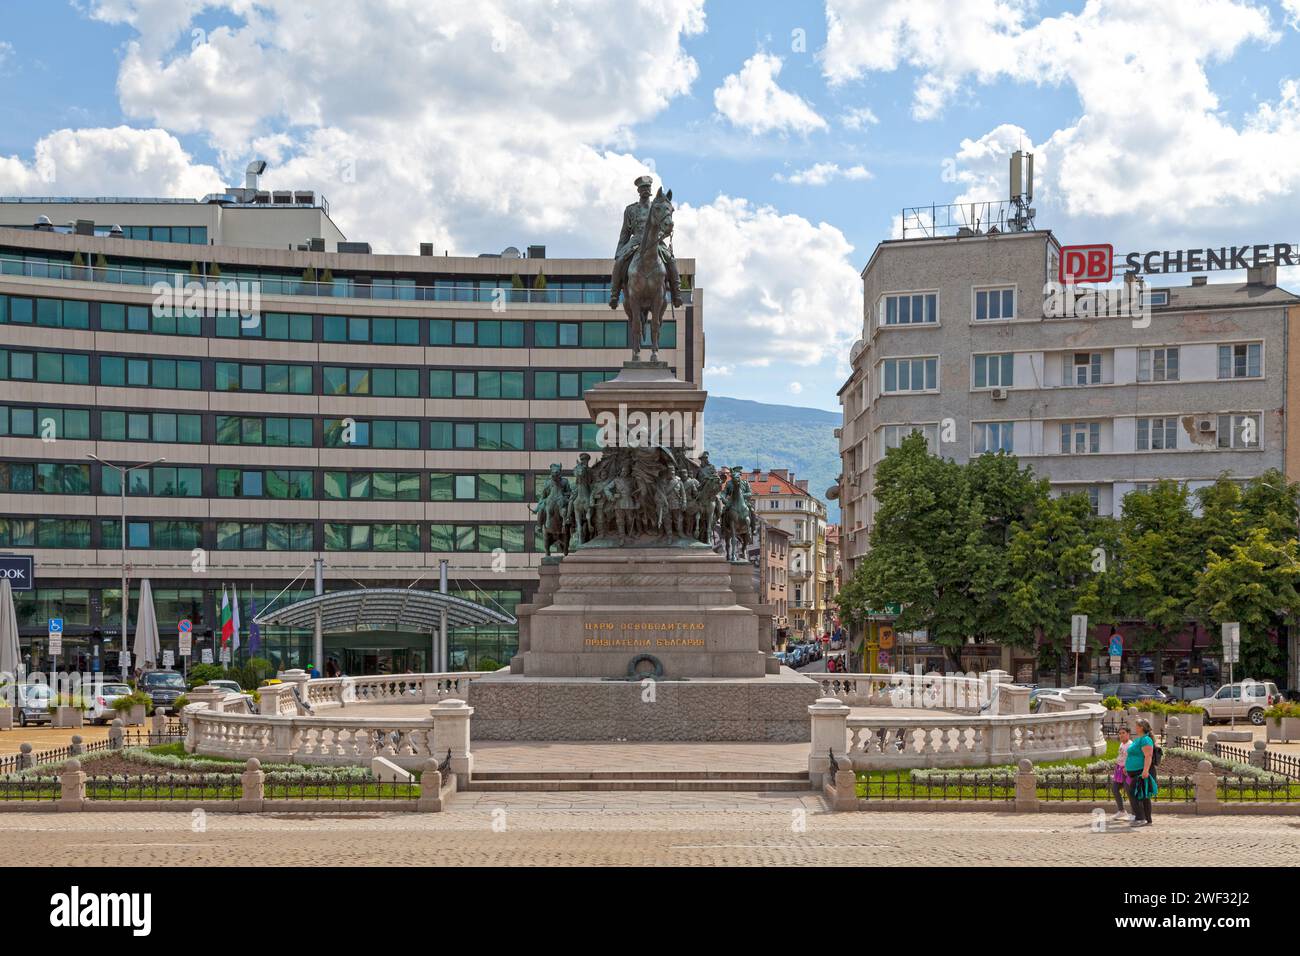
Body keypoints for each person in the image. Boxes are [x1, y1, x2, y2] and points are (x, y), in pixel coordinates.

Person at [1125, 718, 1158, 826]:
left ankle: (1140, 818)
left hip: (1142, 771)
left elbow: (1148, 756)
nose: (1135, 727)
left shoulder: (1146, 739)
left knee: (1132, 792)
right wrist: (1126, 767)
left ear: (1141, 727)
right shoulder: (1139, 739)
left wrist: (1145, 771)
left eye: (1137, 725)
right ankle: (1148, 819)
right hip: (1136, 771)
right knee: (1143, 795)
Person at [1111, 727, 1133, 821]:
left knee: (1129, 792)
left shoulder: (1130, 745)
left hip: (1126, 771)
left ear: (1128, 734)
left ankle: (1134, 813)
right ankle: (1121, 811)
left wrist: (1127, 768)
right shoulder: (1122, 744)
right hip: (1119, 770)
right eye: (1119, 733)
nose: (1121, 735)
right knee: (1115, 789)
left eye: (1123, 733)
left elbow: (1131, 758)